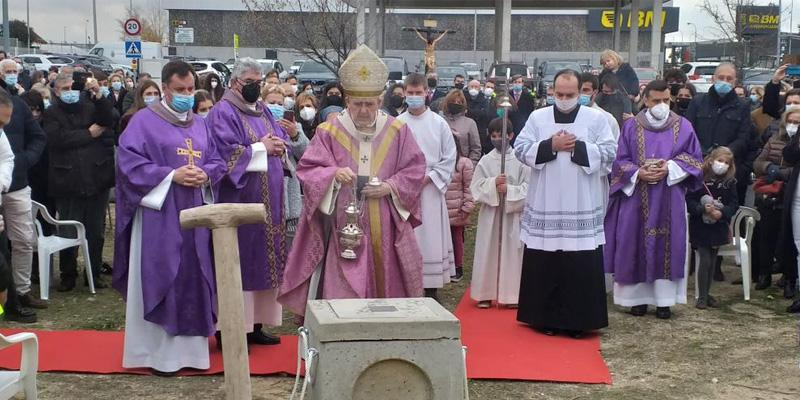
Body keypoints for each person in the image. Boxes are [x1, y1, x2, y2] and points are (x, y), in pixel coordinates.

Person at [278, 44, 426, 316]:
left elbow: (415, 170)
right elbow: (309, 168)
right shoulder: (329, 131)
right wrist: (333, 175)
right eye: (357, 103)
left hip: (385, 222)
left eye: (370, 104)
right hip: (343, 226)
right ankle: (343, 329)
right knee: (344, 291)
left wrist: (389, 187)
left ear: (380, 102)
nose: (363, 110)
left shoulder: (397, 131)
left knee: (387, 285)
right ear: (347, 101)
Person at [114, 60, 226, 375]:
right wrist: (170, 175)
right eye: (180, 90)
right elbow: (128, 166)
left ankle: (192, 355)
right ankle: (156, 355)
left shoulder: (200, 123)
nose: (187, 96)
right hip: (159, 216)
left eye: (190, 89)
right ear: (165, 88)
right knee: (164, 273)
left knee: (194, 275)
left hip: (195, 214)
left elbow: (217, 159)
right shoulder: (142, 122)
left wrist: (205, 172)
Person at [514, 69, 616, 337]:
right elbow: (521, 149)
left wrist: (577, 148)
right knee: (545, 261)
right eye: (559, 94)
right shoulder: (538, 117)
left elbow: (609, 153)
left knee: (579, 263)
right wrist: (550, 145)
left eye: (570, 94)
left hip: (580, 200)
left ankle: (578, 322)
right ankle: (543, 318)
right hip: (546, 200)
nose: (564, 99)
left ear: (582, 91)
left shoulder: (596, 119)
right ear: (552, 91)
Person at [604, 80, 705, 319]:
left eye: (666, 101)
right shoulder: (630, 127)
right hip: (636, 196)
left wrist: (669, 168)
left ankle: (664, 301)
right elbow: (619, 161)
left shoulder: (684, 126)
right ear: (645, 100)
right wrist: (638, 172)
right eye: (656, 101)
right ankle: (636, 300)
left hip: (669, 195)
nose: (662, 105)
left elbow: (695, 159)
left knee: (668, 245)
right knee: (633, 242)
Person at [207, 58, 289, 346]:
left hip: (269, 203)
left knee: (263, 263)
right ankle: (229, 328)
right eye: (250, 83)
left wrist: (280, 144)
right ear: (234, 83)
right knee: (240, 261)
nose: (256, 88)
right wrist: (261, 148)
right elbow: (223, 155)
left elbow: (277, 136)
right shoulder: (223, 112)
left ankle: (255, 325)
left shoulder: (263, 109)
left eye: (259, 82)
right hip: (240, 199)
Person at [42, 72, 116, 292]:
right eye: (64, 89)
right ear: (56, 92)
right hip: (67, 180)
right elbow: (57, 139)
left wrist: (99, 96)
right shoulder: (51, 113)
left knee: (96, 231)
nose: (69, 93)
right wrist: (88, 134)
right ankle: (68, 273)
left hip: (96, 177)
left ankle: (93, 272)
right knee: (68, 230)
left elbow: (108, 120)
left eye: (72, 88)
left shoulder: (90, 105)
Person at [398, 73, 457, 299]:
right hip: (404, 189)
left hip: (431, 188)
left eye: (418, 93)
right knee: (409, 236)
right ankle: (406, 284)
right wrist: (406, 179)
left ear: (426, 93)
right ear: (404, 93)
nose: (414, 97)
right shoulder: (397, 124)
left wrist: (429, 177)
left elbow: (449, 157)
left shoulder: (439, 123)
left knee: (431, 236)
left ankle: (431, 289)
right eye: (410, 93)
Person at [686, 63, 755, 227]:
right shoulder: (698, 102)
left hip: (728, 171)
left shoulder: (743, 106)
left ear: (735, 81)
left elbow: (744, 137)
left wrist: (724, 156)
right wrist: (702, 155)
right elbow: (688, 133)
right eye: (721, 77)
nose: (724, 81)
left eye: (729, 79)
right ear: (713, 78)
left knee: (725, 220)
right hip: (699, 167)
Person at [470, 117, 529, 308]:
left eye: (501, 135)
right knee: (488, 249)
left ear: (510, 136)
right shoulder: (485, 161)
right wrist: (493, 184)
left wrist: (510, 191)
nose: (497, 139)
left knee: (512, 252)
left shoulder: (521, 160)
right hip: (491, 213)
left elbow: (529, 187)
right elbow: (476, 187)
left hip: (512, 214)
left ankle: (511, 294)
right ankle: (485, 293)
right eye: (493, 136)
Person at [752, 109, 798, 292]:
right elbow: (758, 162)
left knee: (788, 240)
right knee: (766, 237)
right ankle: (764, 274)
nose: (793, 125)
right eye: (791, 121)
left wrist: (783, 173)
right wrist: (769, 167)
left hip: (790, 196)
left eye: (797, 122)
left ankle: (789, 278)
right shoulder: (774, 139)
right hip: (769, 195)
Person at [687, 147, 739, 309]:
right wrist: (703, 209)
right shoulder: (698, 179)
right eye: (720, 160)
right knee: (705, 259)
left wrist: (722, 213)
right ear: (710, 160)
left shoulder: (730, 182)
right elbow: (690, 201)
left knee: (714, 259)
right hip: (700, 226)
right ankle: (701, 296)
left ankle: (707, 293)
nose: (722, 165)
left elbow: (734, 204)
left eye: (726, 163)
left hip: (719, 226)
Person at [445, 136, 474, 282]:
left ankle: (458, 267)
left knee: (457, 238)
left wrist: (467, 206)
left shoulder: (464, 163)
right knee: (444, 239)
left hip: (457, 210)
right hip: (443, 209)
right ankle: (445, 266)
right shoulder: (441, 163)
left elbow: (469, 187)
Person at [441, 89, 481, 165]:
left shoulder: (470, 123)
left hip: (463, 167)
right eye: (453, 102)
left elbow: (476, 148)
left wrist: (470, 165)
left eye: (459, 102)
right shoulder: (440, 122)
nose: (455, 104)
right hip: (443, 165)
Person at [465, 79, 492, 153]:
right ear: (468, 87)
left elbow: (485, 114)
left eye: (476, 87)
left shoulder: (484, 99)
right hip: (466, 129)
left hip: (480, 130)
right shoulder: (463, 98)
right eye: (471, 86)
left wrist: (469, 111)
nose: (473, 89)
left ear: (480, 88)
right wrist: (478, 112)